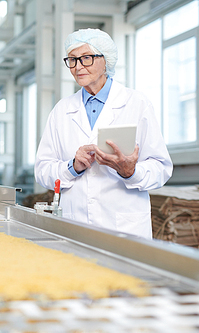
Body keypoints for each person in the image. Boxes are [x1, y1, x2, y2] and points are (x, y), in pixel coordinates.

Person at [34, 28, 173, 239]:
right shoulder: (62, 110)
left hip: (124, 228)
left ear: (105, 59)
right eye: (72, 60)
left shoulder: (136, 103)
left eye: (86, 58)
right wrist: (72, 167)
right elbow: (43, 170)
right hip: (76, 224)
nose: (78, 66)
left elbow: (161, 168)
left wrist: (130, 171)